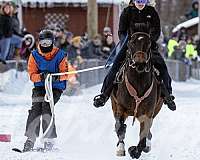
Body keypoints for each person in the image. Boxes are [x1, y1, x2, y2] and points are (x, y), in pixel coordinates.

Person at [93, 0, 176, 111]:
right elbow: (121, 31)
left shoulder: (152, 12)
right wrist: (126, 41)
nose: (140, 3)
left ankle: (168, 95)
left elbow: (156, 30)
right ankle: (104, 95)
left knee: (162, 67)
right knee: (115, 66)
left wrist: (150, 41)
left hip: (148, 46)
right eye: (138, 0)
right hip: (130, 46)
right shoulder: (127, 12)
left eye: (143, 0)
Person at [23, 29, 68, 152]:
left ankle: (49, 139)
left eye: (48, 43)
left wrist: (55, 76)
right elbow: (31, 75)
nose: (46, 45)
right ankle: (30, 139)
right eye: (43, 43)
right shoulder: (34, 55)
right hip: (39, 87)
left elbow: (65, 74)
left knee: (46, 106)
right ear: (39, 42)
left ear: (53, 42)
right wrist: (41, 76)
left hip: (55, 88)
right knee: (36, 107)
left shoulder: (60, 55)